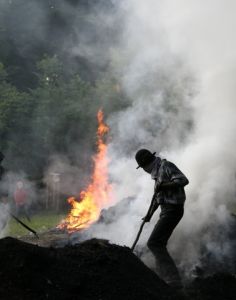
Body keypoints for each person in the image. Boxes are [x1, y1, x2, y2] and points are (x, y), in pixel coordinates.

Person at [135, 149, 189, 289]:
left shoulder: (166, 166)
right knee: (158, 243)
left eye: (143, 167)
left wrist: (164, 185)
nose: (144, 171)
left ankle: (173, 280)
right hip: (166, 210)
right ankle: (164, 277)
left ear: (146, 164)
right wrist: (149, 215)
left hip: (173, 210)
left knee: (154, 243)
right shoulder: (157, 175)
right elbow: (157, 199)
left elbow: (183, 180)